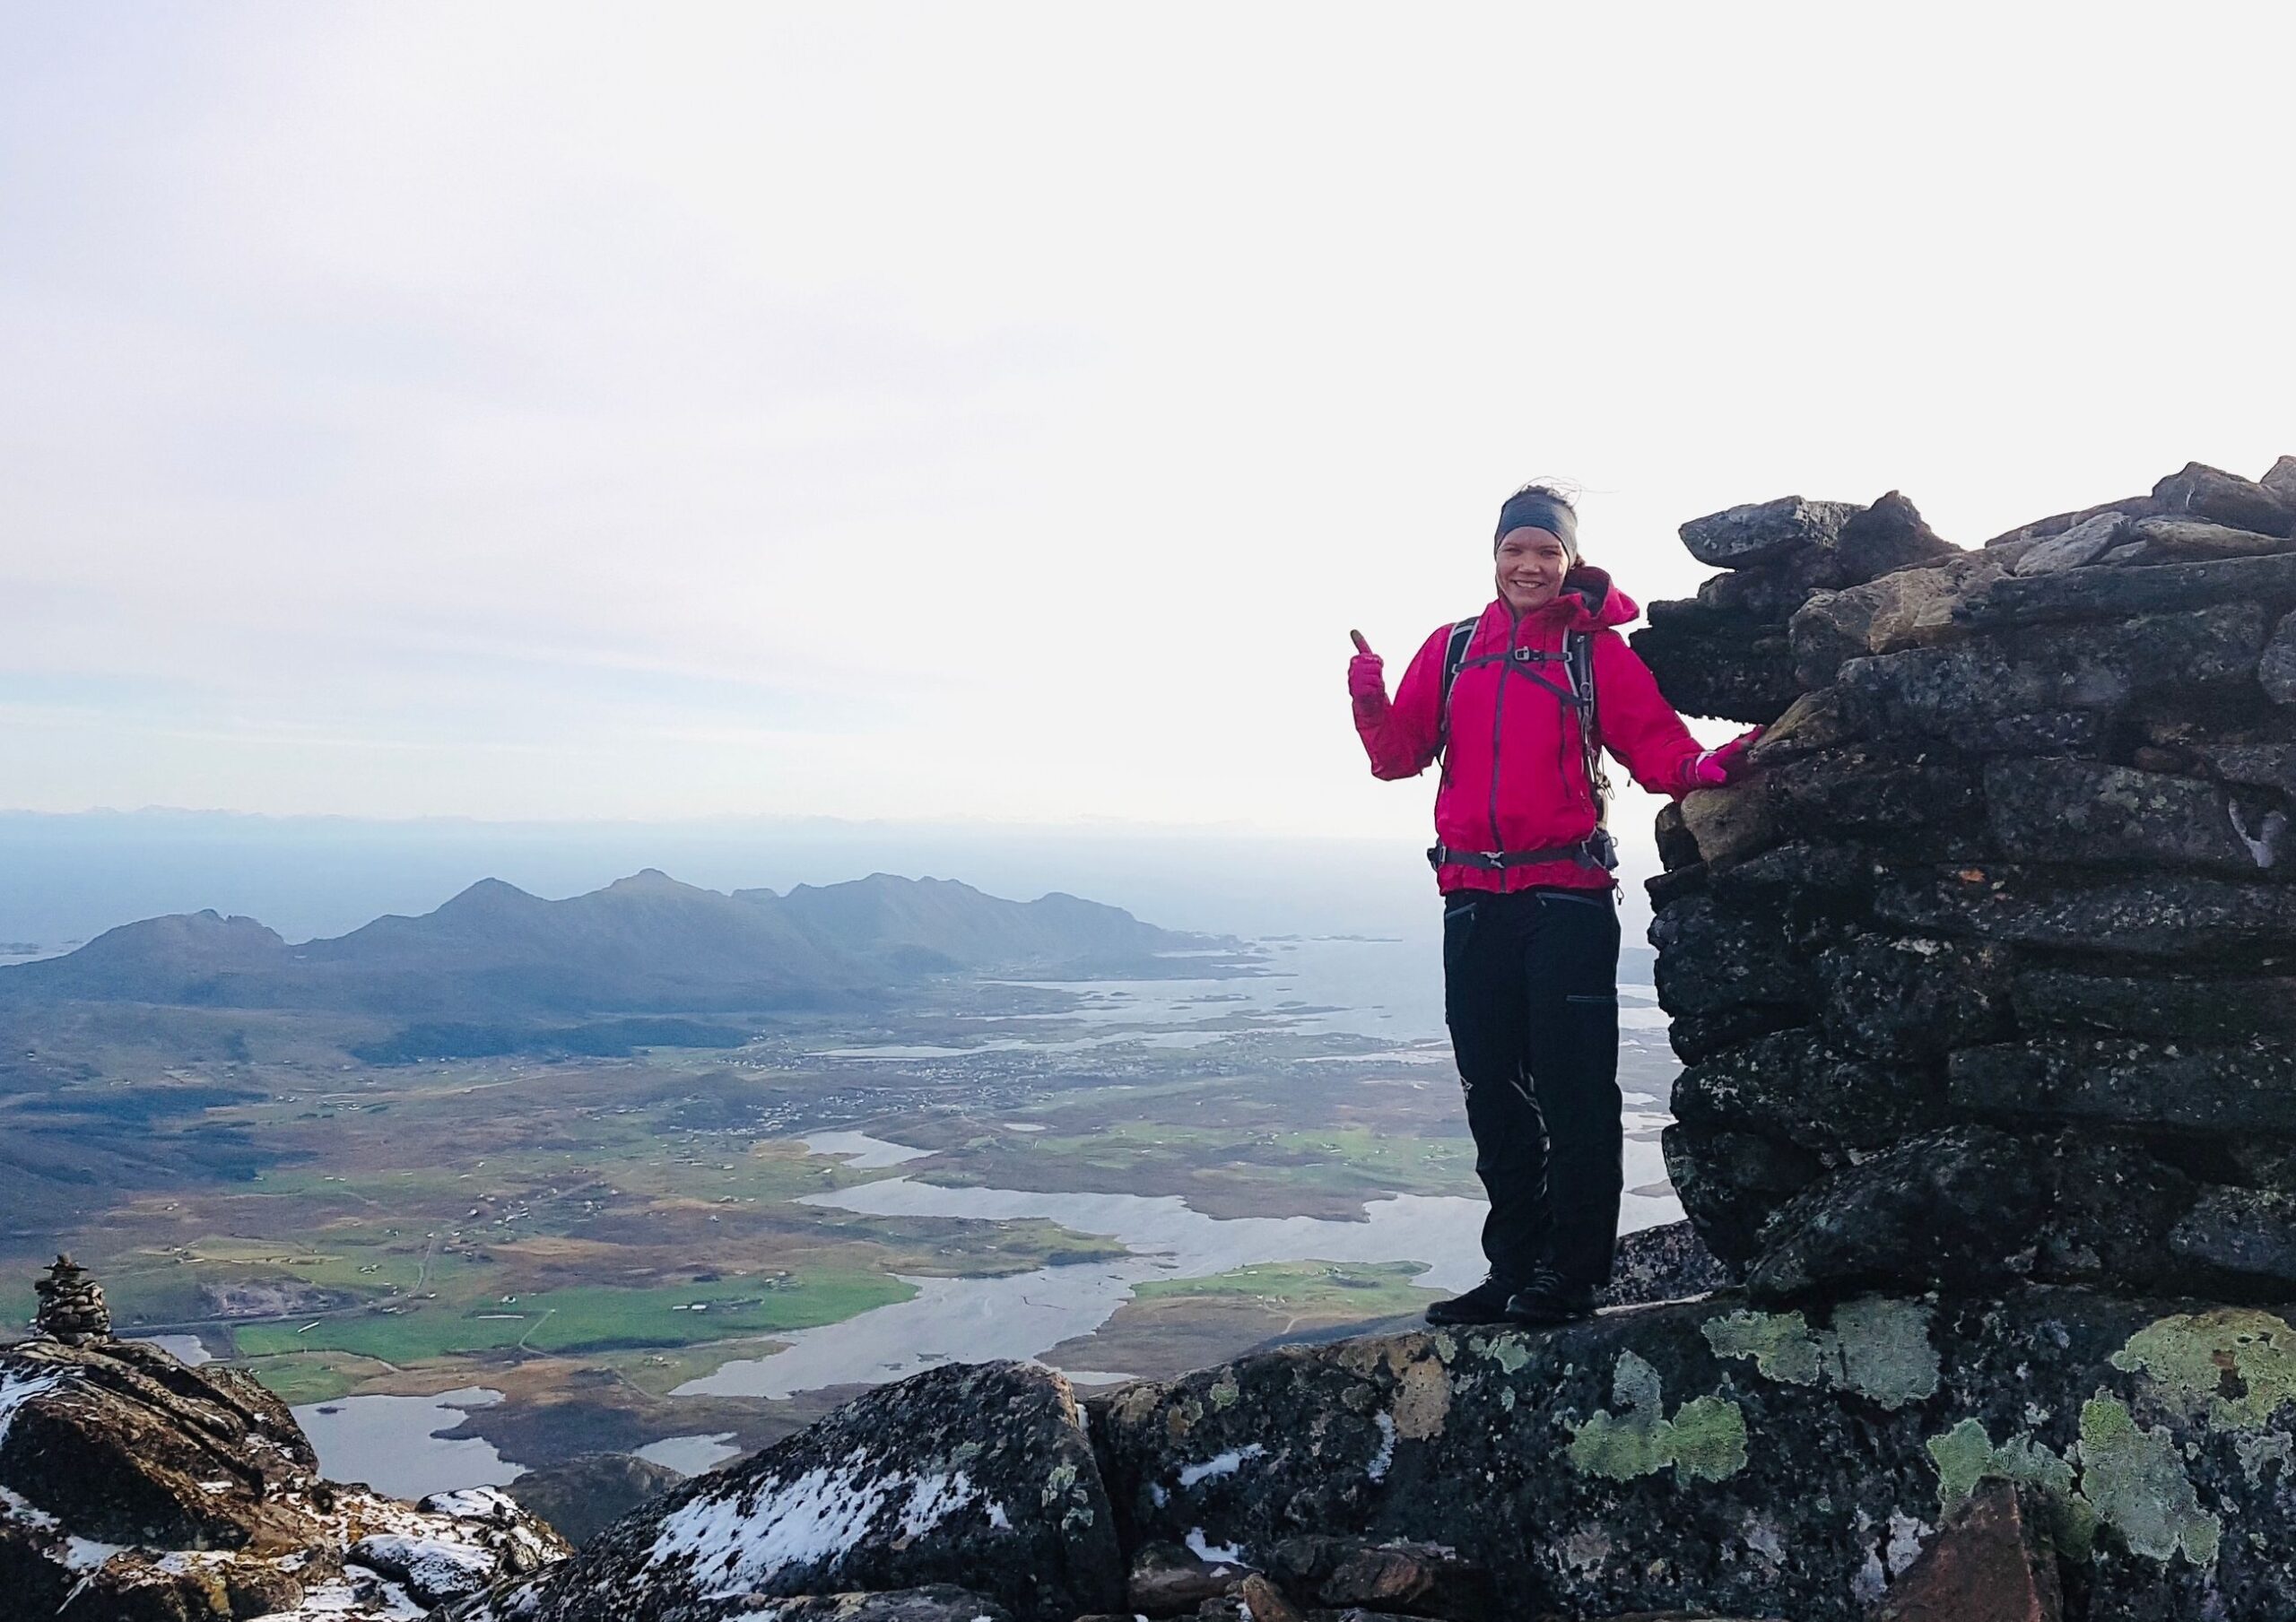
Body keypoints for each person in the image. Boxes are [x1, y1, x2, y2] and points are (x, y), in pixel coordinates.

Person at [1348, 483, 1758, 1327]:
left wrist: (1702, 770)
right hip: (1471, 898)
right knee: (1492, 1090)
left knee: (1573, 1090)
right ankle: (1515, 1270)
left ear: (1568, 561)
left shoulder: (1590, 652)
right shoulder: (1455, 648)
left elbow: (1655, 745)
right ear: (1494, 559)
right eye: (1515, 550)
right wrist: (1368, 695)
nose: (1529, 565)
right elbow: (1397, 759)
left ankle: (1569, 1278)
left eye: (1547, 551)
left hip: (1564, 897)